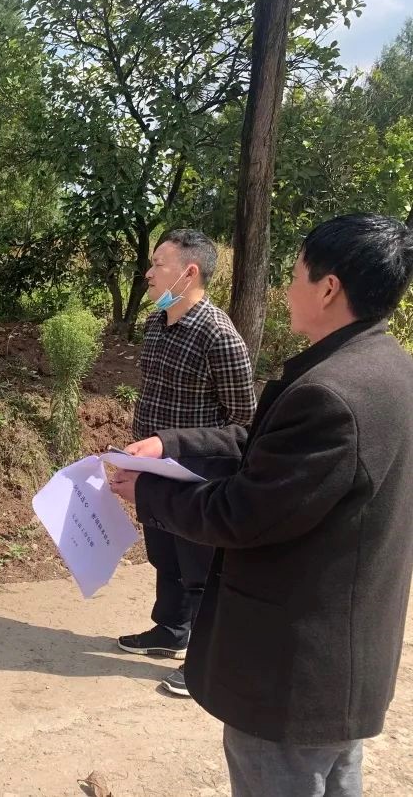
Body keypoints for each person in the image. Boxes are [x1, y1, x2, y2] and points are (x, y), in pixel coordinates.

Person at [110, 214, 413, 797]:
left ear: (329, 288)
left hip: (295, 668)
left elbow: (241, 513)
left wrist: (148, 490)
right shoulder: (387, 368)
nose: (287, 287)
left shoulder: (330, 393)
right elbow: (264, 442)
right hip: (343, 659)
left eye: (295, 274)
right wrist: (172, 445)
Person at [115, 229, 256, 698]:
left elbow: (244, 421)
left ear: (189, 272)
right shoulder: (157, 320)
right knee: (165, 554)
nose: (148, 273)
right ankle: (171, 630)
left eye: (158, 264)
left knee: (201, 566)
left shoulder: (219, 335)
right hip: (154, 466)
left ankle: (204, 663)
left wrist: (176, 444)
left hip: (198, 473)